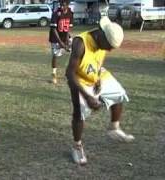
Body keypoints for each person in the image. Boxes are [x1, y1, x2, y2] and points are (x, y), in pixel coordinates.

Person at [65, 16, 135, 165]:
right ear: (101, 35)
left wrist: (98, 78)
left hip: (96, 76)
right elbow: (69, 74)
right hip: (79, 80)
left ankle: (113, 129)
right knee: (79, 112)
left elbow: (98, 60)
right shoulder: (80, 43)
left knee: (118, 94)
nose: (110, 49)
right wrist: (88, 96)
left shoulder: (102, 41)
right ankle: (77, 146)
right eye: (109, 45)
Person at [48, 0, 73, 84]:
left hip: (65, 36)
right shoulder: (56, 13)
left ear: (68, 5)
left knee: (74, 51)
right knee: (55, 55)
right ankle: (54, 74)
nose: (62, 7)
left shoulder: (70, 13)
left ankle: (71, 73)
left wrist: (66, 40)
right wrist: (60, 43)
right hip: (55, 38)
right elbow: (54, 29)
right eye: (61, 4)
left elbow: (69, 28)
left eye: (64, 5)